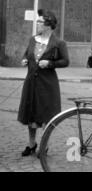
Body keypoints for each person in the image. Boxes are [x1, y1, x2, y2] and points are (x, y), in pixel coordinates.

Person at [18, 9, 69, 156]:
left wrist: (50, 64)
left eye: (40, 22)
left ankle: (44, 145)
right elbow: (27, 52)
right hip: (31, 84)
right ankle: (31, 143)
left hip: (48, 85)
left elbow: (65, 61)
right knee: (31, 114)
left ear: (48, 25)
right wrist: (25, 59)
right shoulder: (33, 39)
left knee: (47, 115)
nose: (37, 24)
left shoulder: (59, 43)